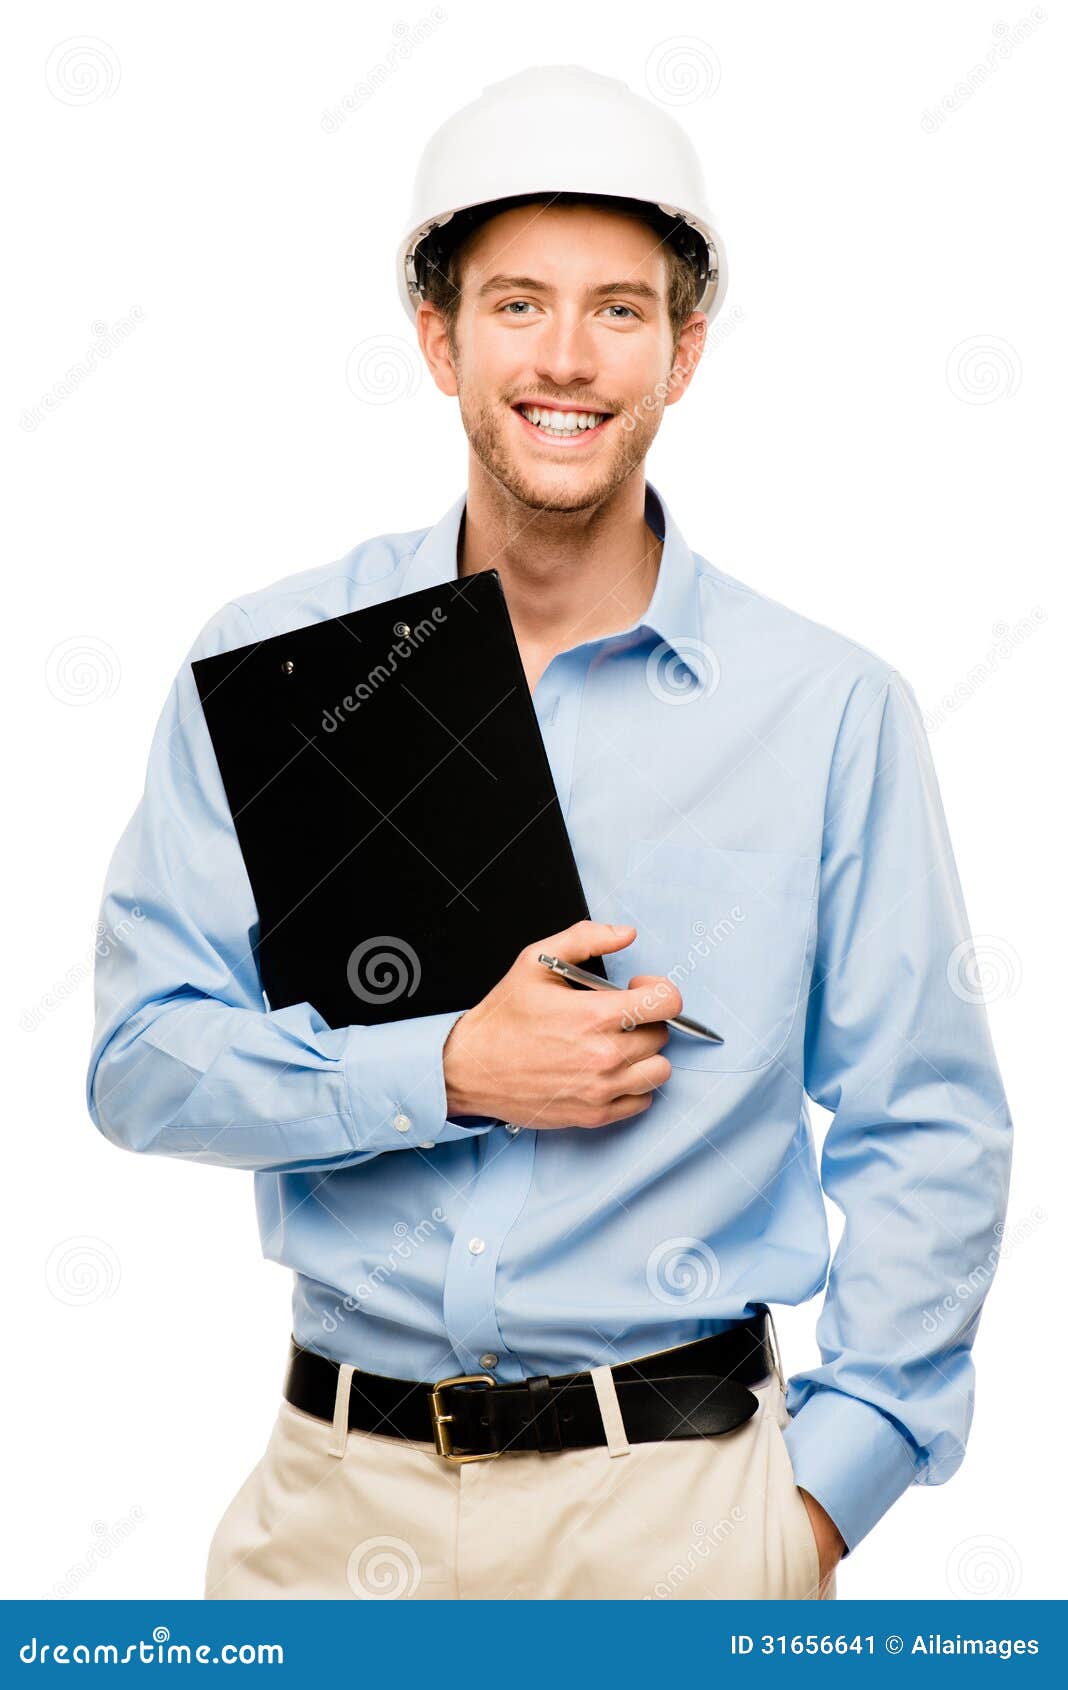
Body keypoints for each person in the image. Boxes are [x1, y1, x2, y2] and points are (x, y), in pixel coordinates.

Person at [86, 65, 1012, 1601]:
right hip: (332, 1511)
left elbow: (932, 1125)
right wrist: (446, 1068)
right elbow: (141, 1061)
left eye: (621, 309)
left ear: (685, 350)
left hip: (684, 1519)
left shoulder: (829, 710)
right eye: (517, 304)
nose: (566, 359)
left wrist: (820, 1499)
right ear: (440, 339)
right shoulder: (284, 667)